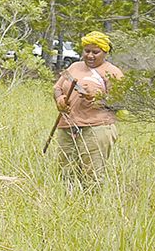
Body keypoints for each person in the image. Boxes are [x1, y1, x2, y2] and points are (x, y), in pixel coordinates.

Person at [51, 31, 124, 185]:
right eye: (87, 51)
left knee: (92, 175)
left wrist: (96, 98)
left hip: (97, 127)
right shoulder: (74, 66)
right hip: (68, 126)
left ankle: (92, 205)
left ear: (105, 53)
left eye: (95, 52)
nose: (90, 55)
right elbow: (57, 88)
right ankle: (67, 203)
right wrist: (60, 99)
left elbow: (120, 103)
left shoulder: (112, 72)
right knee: (65, 173)